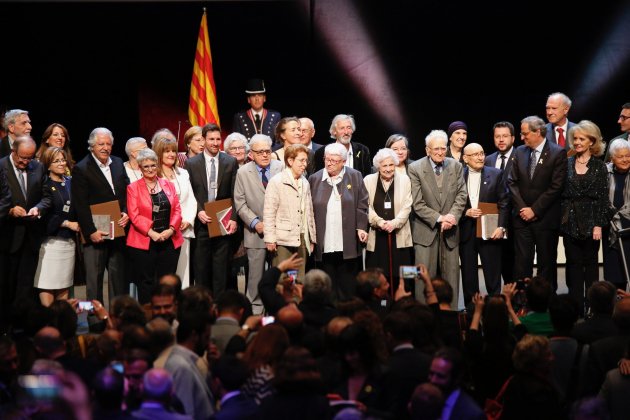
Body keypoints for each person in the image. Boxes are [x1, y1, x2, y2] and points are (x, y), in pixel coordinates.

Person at [408, 129, 467, 307]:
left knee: (451, 278)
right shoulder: (415, 168)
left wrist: (452, 216)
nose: (441, 152)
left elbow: (462, 195)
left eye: (443, 149)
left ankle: (452, 316)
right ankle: (423, 316)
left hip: (450, 232)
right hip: (425, 232)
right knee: (422, 277)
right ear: (427, 150)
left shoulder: (455, 166)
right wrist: (440, 219)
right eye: (436, 150)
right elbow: (417, 203)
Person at [508, 116, 567, 289]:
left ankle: (546, 304)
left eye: (525, 133)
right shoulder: (519, 151)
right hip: (521, 219)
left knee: (546, 263)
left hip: (545, 219)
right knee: (521, 264)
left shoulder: (557, 152)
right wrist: (522, 208)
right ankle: (521, 304)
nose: (521, 137)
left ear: (538, 132)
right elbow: (512, 182)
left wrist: (534, 210)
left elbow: (556, 187)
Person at [72, 127, 130, 303]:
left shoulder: (119, 162)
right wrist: (90, 231)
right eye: (101, 144)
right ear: (92, 146)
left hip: (118, 230)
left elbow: (127, 192)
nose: (105, 147)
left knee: (118, 280)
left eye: (108, 144)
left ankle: (118, 319)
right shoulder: (81, 168)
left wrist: (126, 212)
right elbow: (80, 205)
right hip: (96, 232)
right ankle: (96, 323)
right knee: (94, 283)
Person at [0, 136, 50, 328]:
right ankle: (6, 328)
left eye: (29, 158)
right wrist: (10, 210)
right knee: (6, 286)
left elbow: (47, 197)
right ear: (13, 151)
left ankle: (22, 326)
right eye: (22, 158)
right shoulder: (1, 166)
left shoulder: (37, 167)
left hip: (31, 237)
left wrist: (38, 208)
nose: (25, 162)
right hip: (8, 237)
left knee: (25, 286)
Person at [561, 120, 610, 315]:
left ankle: (592, 308)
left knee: (590, 266)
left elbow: (603, 198)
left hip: (591, 221)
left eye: (582, 139)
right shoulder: (567, 163)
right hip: (570, 221)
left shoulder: (599, 167)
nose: (577, 142)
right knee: (572, 265)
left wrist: (598, 224)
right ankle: (576, 309)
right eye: (575, 139)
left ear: (592, 141)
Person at [309, 143, 369, 301]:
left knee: (347, 286)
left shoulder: (355, 176)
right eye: (327, 159)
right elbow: (309, 211)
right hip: (325, 242)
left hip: (347, 242)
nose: (329, 163)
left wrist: (362, 228)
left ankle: (347, 316)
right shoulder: (314, 179)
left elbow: (362, 204)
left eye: (334, 161)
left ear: (343, 161)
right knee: (327, 287)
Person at [185, 123, 238, 298]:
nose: (215, 143)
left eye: (218, 139)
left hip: (223, 221)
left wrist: (234, 218)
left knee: (221, 270)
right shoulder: (192, 164)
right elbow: (189, 192)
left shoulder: (230, 161)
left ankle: (219, 307)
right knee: (201, 269)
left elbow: (234, 193)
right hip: (202, 223)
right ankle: (203, 305)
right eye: (211, 139)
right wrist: (199, 210)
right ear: (204, 140)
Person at [126, 148, 183, 304]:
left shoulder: (168, 184)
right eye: (146, 166)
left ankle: (167, 313)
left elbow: (177, 209)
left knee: (167, 281)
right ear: (140, 168)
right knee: (146, 283)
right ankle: (148, 315)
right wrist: (152, 233)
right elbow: (134, 215)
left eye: (153, 165)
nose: (150, 169)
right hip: (144, 242)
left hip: (169, 239)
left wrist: (171, 230)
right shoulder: (133, 188)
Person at [234, 134, 283, 312]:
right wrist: (255, 223)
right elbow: (239, 202)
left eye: (267, 151)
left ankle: (277, 308)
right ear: (251, 154)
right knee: (255, 276)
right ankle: (255, 310)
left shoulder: (281, 167)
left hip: (279, 230)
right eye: (260, 152)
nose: (264, 155)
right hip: (255, 232)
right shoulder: (242, 172)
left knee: (279, 273)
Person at [459, 143, 509, 307]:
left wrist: (501, 227)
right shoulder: (458, 175)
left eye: (482, 153)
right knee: (469, 275)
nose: (481, 157)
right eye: (475, 154)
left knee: (493, 273)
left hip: (489, 229)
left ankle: (495, 309)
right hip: (466, 230)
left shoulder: (496, 174)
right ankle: (471, 311)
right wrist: (465, 212)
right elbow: (452, 203)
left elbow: (504, 202)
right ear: (465, 158)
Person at [34, 147, 80, 306]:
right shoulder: (43, 184)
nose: (61, 163)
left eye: (62, 160)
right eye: (56, 161)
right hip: (51, 243)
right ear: (47, 165)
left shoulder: (71, 182)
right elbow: (44, 214)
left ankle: (61, 321)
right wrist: (67, 223)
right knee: (47, 283)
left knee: (64, 283)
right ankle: (48, 320)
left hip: (69, 242)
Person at [264, 144, 316, 283]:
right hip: (283, 238)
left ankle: (297, 304)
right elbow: (269, 212)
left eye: (306, 160)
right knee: (283, 278)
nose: (305, 164)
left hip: (302, 236)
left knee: (299, 278)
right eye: (301, 160)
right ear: (290, 161)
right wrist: (270, 238)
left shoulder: (304, 182)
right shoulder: (277, 181)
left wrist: (312, 237)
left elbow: (309, 211)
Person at [363, 148, 413, 293]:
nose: (389, 169)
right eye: (384, 166)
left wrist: (394, 223)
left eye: (391, 165)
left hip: (400, 235)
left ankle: (405, 303)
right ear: (378, 166)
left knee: (405, 273)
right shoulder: (368, 180)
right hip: (377, 236)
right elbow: (366, 207)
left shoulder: (405, 179)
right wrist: (379, 222)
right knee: (377, 275)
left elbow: (407, 206)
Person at [154, 137, 197, 289]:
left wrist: (188, 220)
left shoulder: (183, 173)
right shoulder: (154, 175)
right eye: (167, 151)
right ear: (159, 153)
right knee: (166, 274)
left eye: (173, 150)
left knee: (183, 274)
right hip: (164, 231)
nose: (171, 154)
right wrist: (172, 225)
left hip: (184, 229)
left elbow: (191, 199)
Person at [485, 121, 517, 284]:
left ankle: (518, 300)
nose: (501, 140)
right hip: (493, 219)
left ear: (513, 138)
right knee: (497, 261)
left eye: (505, 136)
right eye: (497, 136)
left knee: (515, 263)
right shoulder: (488, 159)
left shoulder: (521, 156)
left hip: (516, 219)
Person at [501, 335, 562, 419]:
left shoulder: (514, 381)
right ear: (536, 361)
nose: (553, 358)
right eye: (548, 355)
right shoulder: (540, 395)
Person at [428, 347, 484, 420]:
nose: (433, 380)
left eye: (440, 376)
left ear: (456, 379)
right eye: (431, 374)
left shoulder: (472, 414)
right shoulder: (426, 400)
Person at [604, 138, 630, 290]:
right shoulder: (605, 171)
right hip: (611, 226)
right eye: (621, 156)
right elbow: (601, 196)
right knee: (614, 271)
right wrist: (612, 213)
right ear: (612, 158)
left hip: (629, 226)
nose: (625, 159)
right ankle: (615, 306)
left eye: (628, 155)